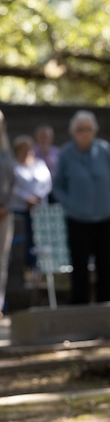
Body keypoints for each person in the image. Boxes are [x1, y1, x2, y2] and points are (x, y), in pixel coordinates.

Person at [52, 110, 110, 305]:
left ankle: (105, 301)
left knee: (105, 262)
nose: (85, 133)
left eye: (88, 129)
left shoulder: (104, 149)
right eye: (81, 129)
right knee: (80, 263)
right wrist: (70, 204)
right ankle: (80, 302)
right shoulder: (66, 153)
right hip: (78, 218)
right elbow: (57, 186)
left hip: (104, 216)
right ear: (74, 132)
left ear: (94, 131)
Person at [9, 135, 52, 275]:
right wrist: (27, 198)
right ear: (17, 150)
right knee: (24, 238)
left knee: (40, 236)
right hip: (20, 209)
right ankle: (25, 268)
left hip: (39, 209)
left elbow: (47, 183)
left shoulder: (39, 164)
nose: (27, 151)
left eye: (29, 148)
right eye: (23, 149)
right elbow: (11, 187)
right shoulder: (13, 166)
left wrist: (38, 197)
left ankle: (41, 267)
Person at [0, 110, 15, 316]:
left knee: (2, 260)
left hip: (5, 213)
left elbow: (13, 182)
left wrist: (6, 205)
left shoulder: (5, 150)